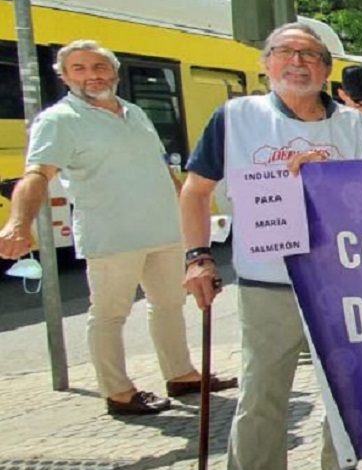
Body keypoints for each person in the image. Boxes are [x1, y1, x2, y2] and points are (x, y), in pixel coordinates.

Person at [179, 23, 362, 470]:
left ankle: (340, 465)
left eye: (312, 54)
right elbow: (195, 191)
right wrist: (197, 256)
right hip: (268, 280)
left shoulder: (356, 127)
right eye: (287, 53)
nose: (299, 62)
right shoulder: (237, 117)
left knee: (344, 385)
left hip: (341, 278)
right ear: (266, 62)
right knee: (263, 392)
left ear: (327, 69)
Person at [0, 40, 235, 416]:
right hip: (111, 236)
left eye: (99, 67)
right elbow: (35, 175)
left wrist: (195, 214)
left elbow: (164, 171)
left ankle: (182, 375)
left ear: (115, 73)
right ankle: (119, 392)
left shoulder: (135, 113)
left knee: (169, 305)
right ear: (63, 76)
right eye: (79, 69)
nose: (92, 76)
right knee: (110, 314)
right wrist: (17, 222)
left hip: (164, 231)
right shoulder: (58, 121)